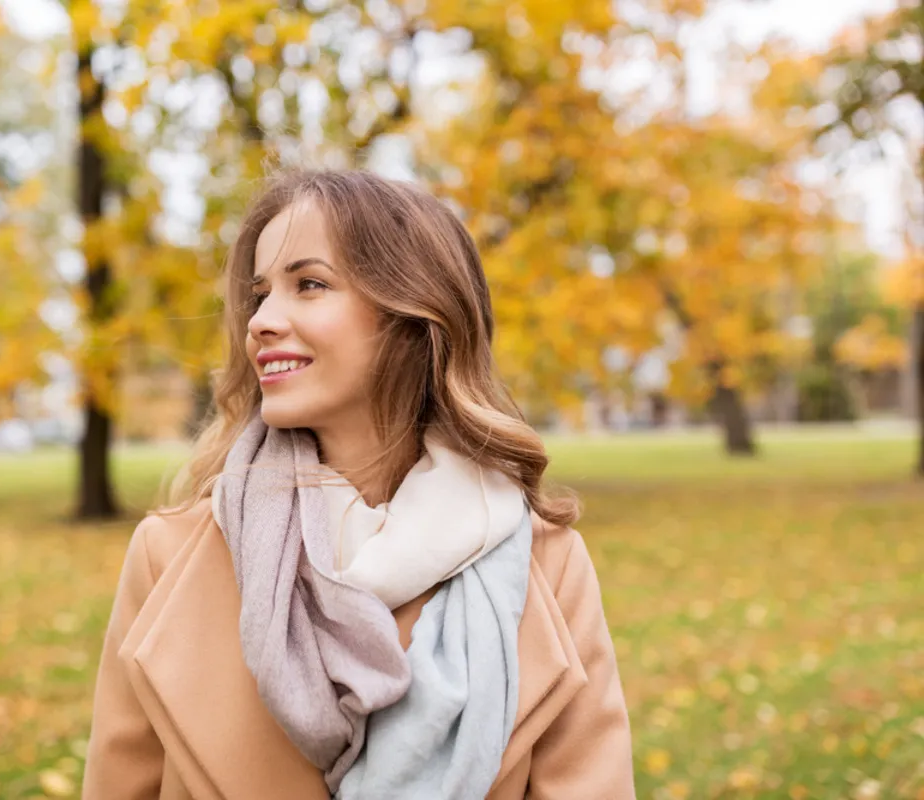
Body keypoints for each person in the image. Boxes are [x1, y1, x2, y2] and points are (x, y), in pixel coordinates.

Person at [82, 169, 635, 799]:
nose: (261, 320)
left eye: (309, 284)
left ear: (413, 313)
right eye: (261, 294)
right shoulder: (169, 555)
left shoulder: (547, 565)